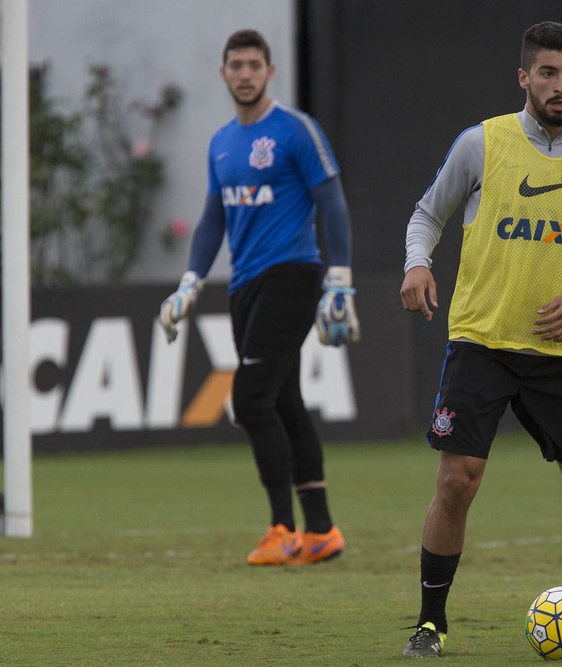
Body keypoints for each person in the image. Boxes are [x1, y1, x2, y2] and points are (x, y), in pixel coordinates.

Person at [398, 21, 562, 658]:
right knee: (458, 479)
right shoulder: (483, 143)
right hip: (483, 337)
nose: (560, 86)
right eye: (547, 73)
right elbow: (429, 213)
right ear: (524, 78)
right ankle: (430, 623)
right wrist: (416, 263)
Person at [158, 28, 360, 566]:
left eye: (254, 64)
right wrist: (189, 283)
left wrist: (339, 281)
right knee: (283, 399)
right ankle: (321, 532)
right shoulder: (222, 142)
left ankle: (281, 529)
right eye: (236, 65)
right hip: (244, 285)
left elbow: (332, 203)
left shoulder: (295, 131)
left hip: (293, 275)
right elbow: (213, 218)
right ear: (223, 73)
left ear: (269, 72)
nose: (245, 73)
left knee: (249, 400)